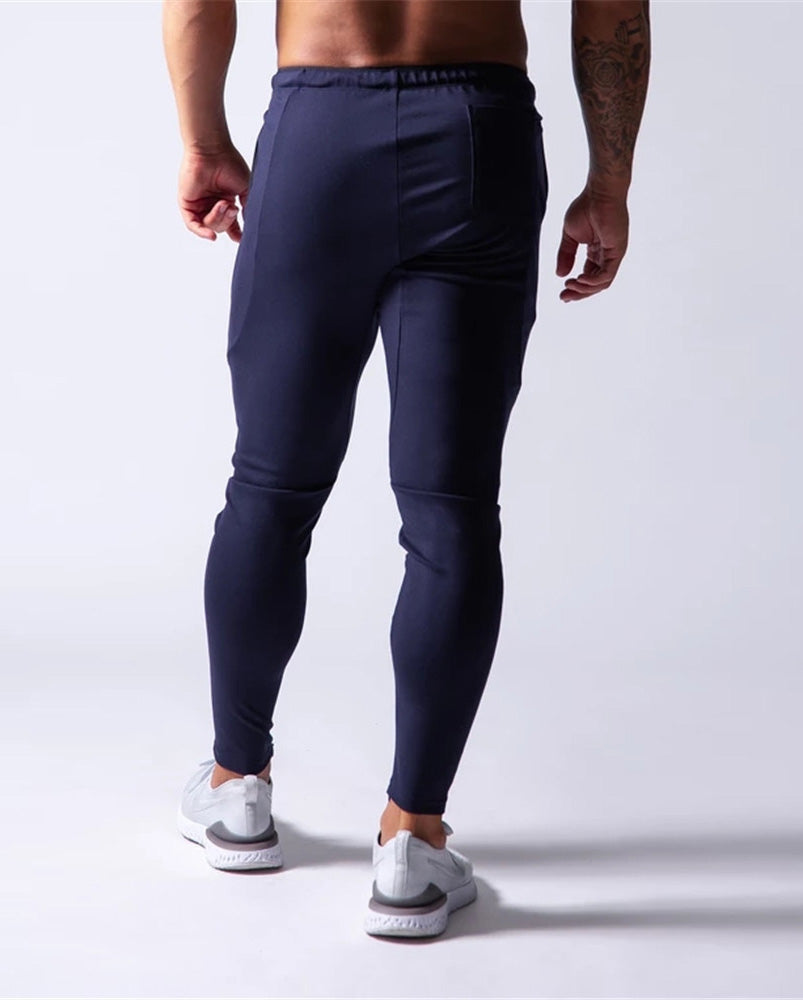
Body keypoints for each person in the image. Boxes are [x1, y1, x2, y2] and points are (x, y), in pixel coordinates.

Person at [164, 0, 650, 938]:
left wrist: (202, 140)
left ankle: (236, 788)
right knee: (450, 511)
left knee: (270, 487)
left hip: (317, 131)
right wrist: (610, 180)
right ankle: (413, 842)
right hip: (478, 134)